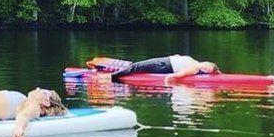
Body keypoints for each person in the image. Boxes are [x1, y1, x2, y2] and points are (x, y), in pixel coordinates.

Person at [91, 54, 219, 82]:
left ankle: (109, 77)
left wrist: (172, 77)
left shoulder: (195, 67)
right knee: (136, 66)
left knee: (135, 67)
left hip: (163, 64)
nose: (206, 67)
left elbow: (184, 72)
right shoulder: (197, 63)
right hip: (165, 64)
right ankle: (113, 71)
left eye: (207, 69)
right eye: (207, 64)